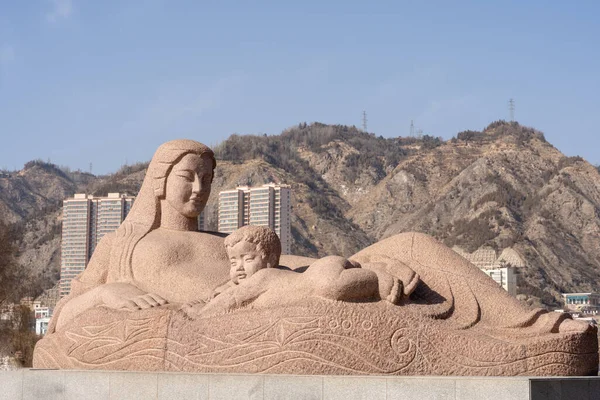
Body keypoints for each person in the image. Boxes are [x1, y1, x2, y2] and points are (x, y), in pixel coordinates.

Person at [183, 225, 411, 317]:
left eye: (248, 258)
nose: (239, 268)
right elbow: (229, 291)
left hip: (323, 273)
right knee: (332, 287)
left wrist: (201, 313)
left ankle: (377, 275)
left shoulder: (264, 276)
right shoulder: (258, 278)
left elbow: (232, 299)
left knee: (333, 287)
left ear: (270, 260)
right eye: (233, 263)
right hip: (320, 274)